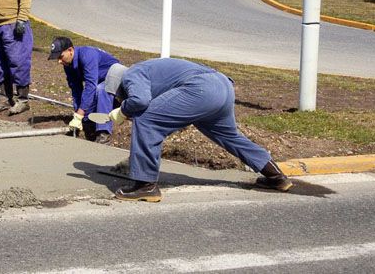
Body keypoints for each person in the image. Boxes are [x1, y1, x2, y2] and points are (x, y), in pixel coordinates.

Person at [103, 58, 293, 202]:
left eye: (118, 97)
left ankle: (145, 186)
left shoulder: (131, 74)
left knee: (146, 119)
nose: (119, 99)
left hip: (201, 89)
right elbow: (166, 116)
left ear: (119, 86)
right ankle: (276, 176)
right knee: (230, 136)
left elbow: (140, 101)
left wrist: (123, 110)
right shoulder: (150, 71)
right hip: (222, 85)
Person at [48, 36, 118, 144]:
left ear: (70, 50)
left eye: (61, 56)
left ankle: (103, 133)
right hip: (99, 81)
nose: (59, 61)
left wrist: (80, 114)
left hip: (117, 79)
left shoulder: (87, 55)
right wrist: (80, 116)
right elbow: (76, 88)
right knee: (88, 104)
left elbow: (90, 86)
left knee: (100, 90)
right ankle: (89, 125)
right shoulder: (68, 63)